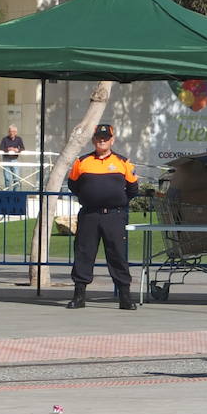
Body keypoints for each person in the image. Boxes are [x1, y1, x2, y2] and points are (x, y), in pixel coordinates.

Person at [66, 123, 138, 310]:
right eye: (99, 137)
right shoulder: (81, 162)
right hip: (90, 215)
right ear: (94, 140)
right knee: (84, 253)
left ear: (112, 140)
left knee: (117, 255)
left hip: (114, 216)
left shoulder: (124, 163)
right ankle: (79, 296)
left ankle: (125, 297)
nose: (102, 140)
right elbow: (74, 186)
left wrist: (116, 201)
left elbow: (133, 189)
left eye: (106, 138)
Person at [0, 125, 25, 190]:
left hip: (14, 160)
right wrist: (8, 149)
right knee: (7, 179)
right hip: (6, 160)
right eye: (10, 131)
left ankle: (16, 195)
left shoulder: (19, 139)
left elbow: (23, 148)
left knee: (16, 178)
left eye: (13, 131)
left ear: (16, 132)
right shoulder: (4, 139)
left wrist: (17, 150)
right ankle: (8, 194)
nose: (11, 133)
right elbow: (0, 149)